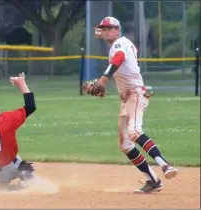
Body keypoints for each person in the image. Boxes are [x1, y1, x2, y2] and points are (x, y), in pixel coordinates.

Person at [83, 17, 178, 193]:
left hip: (135, 93)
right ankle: (153, 181)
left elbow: (119, 59)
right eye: (104, 29)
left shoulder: (119, 45)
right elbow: (124, 66)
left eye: (110, 28)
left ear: (118, 30)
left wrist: (102, 80)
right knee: (125, 144)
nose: (106, 31)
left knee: (134, 132)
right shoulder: (121, 43)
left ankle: (165, 165)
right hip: (127, 97)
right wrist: (102, 33)